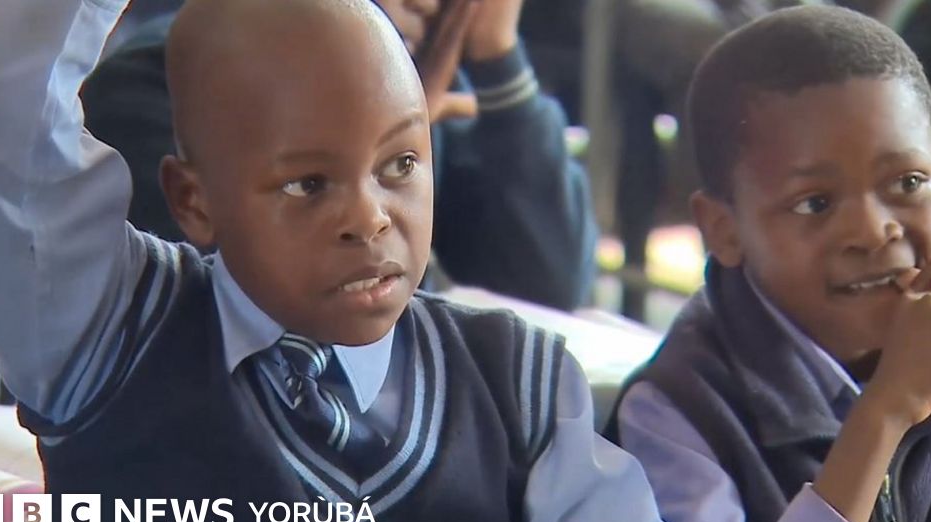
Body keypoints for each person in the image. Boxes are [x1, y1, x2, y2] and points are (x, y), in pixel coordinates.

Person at [0, 0, 688, 522]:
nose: (370, 218)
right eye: (306, 183)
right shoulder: (111, 333)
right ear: (193, 201)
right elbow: (4, 117)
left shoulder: (522, 386)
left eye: (400, 164)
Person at [608, 7, 931, 522]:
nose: (874, 231)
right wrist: (884, 415)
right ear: (724, 230)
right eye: (815, 203)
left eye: (908, 182)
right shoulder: (682, 410)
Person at [80, 0, 598, 311]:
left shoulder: (415, 80)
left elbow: (545, 283)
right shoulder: (166, 82)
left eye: (400, 164)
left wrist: (497, 58)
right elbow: (227, 320)